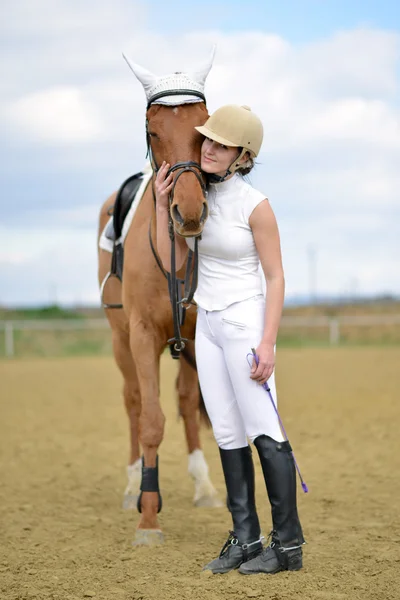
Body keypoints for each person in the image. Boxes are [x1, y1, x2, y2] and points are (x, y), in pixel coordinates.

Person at [155, 104, 305, 575]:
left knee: (265, 432)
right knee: (224, 430)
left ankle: (288, 547)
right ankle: (245, 538)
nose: (209, 149)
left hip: (245, 324)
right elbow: (171, 261)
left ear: (242, 155)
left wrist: (268, 342)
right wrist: (162, 206)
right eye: (207, 141)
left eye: (220, 144)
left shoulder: (253, 204)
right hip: (209, 326)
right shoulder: (195, 195)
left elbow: (276, 277)